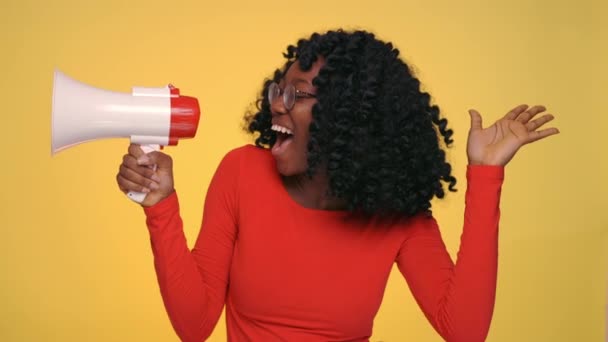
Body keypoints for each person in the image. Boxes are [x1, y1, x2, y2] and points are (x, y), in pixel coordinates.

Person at [116, 29, 559, 342]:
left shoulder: (396, 212)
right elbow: (194, 325)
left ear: (348, 121)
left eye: (297, 95)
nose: (276, 107)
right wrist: (160, 204)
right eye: (278, 90)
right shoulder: (242, 173)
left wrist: (485, 176)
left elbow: (464, 331)